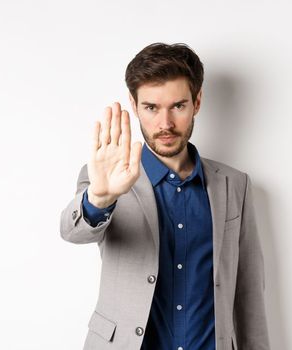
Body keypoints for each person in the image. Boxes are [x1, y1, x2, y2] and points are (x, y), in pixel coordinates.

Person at [59, 43, 270, 350]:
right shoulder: (108, 178)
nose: (165, 124)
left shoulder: (235, 185)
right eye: (151, 108)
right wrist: (100, 198)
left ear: (197, 102)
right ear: (134, 105)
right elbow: (71, 231)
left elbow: (249, 291)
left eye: (178, 106)